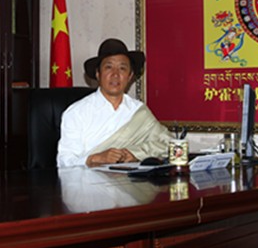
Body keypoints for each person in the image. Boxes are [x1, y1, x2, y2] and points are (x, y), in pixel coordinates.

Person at [56, 38, 171, 168]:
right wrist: (96, 158)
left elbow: (169, 144)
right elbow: (64, 162)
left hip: (129, 180)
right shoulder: (77, 113)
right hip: (87, 180)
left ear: (130, 76)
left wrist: (135, 153)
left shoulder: (138, 111)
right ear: (98, 74)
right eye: (108, 67)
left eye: (122, 68)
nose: (115, 74)